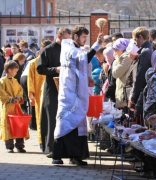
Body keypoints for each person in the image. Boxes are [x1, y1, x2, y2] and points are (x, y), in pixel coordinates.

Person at [52, 26, 103, 165]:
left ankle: (76, 156)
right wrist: (96, 45)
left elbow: (83, 60)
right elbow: (83, 58)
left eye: (86, 37)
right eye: (83, 37)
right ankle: (57, 155)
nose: (84, 40)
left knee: (78, 124)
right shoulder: (68, 47)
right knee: (64, 122)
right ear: (75, 37)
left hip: (78, 93)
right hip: (68, 94)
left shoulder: (77, 49)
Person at [37, 28, 71, 156]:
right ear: (60, 36)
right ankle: (50, 147)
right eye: (66, 38)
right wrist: (55, 69)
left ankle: (64, 147)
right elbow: (40, 69)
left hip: (66, 87)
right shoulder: (48, 50)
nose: (68, 41)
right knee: (51, 117)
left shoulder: (68, 49)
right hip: (51, 88)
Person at [27, 39, 52, 147]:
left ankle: (50, 140)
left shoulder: (53, 62)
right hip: (38, 95)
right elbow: (30, 80)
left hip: (51, 93)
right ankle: (42, 140)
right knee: (40, 117)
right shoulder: (33, 63)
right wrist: (31, 94)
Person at [0, 61, 26, 153]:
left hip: (16, 107)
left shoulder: (15, 81)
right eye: (15, 71)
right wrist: (10, 99)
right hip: (7, 107)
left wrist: (19, 97)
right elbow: (1, 93)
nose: (16, 73)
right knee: (7, 126)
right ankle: (9, 146)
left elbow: (20, 90)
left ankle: (20, 146)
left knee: (19, 125)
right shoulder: (2, 81)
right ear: (9, 70)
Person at [129, 27, 152, 123]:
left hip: (144, 91)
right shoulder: (147, 50)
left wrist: (134, 97)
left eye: (135, 39)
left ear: (141, 37)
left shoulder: (145, 52)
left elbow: (140, 76)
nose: (135, 42)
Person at [112, 38, 132, 108]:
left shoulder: (126, 57)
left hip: (126, 94)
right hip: (124, 92)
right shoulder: (122, 57)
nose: (114, 52)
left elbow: (115, 73)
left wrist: (115, 61)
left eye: (116, 49)